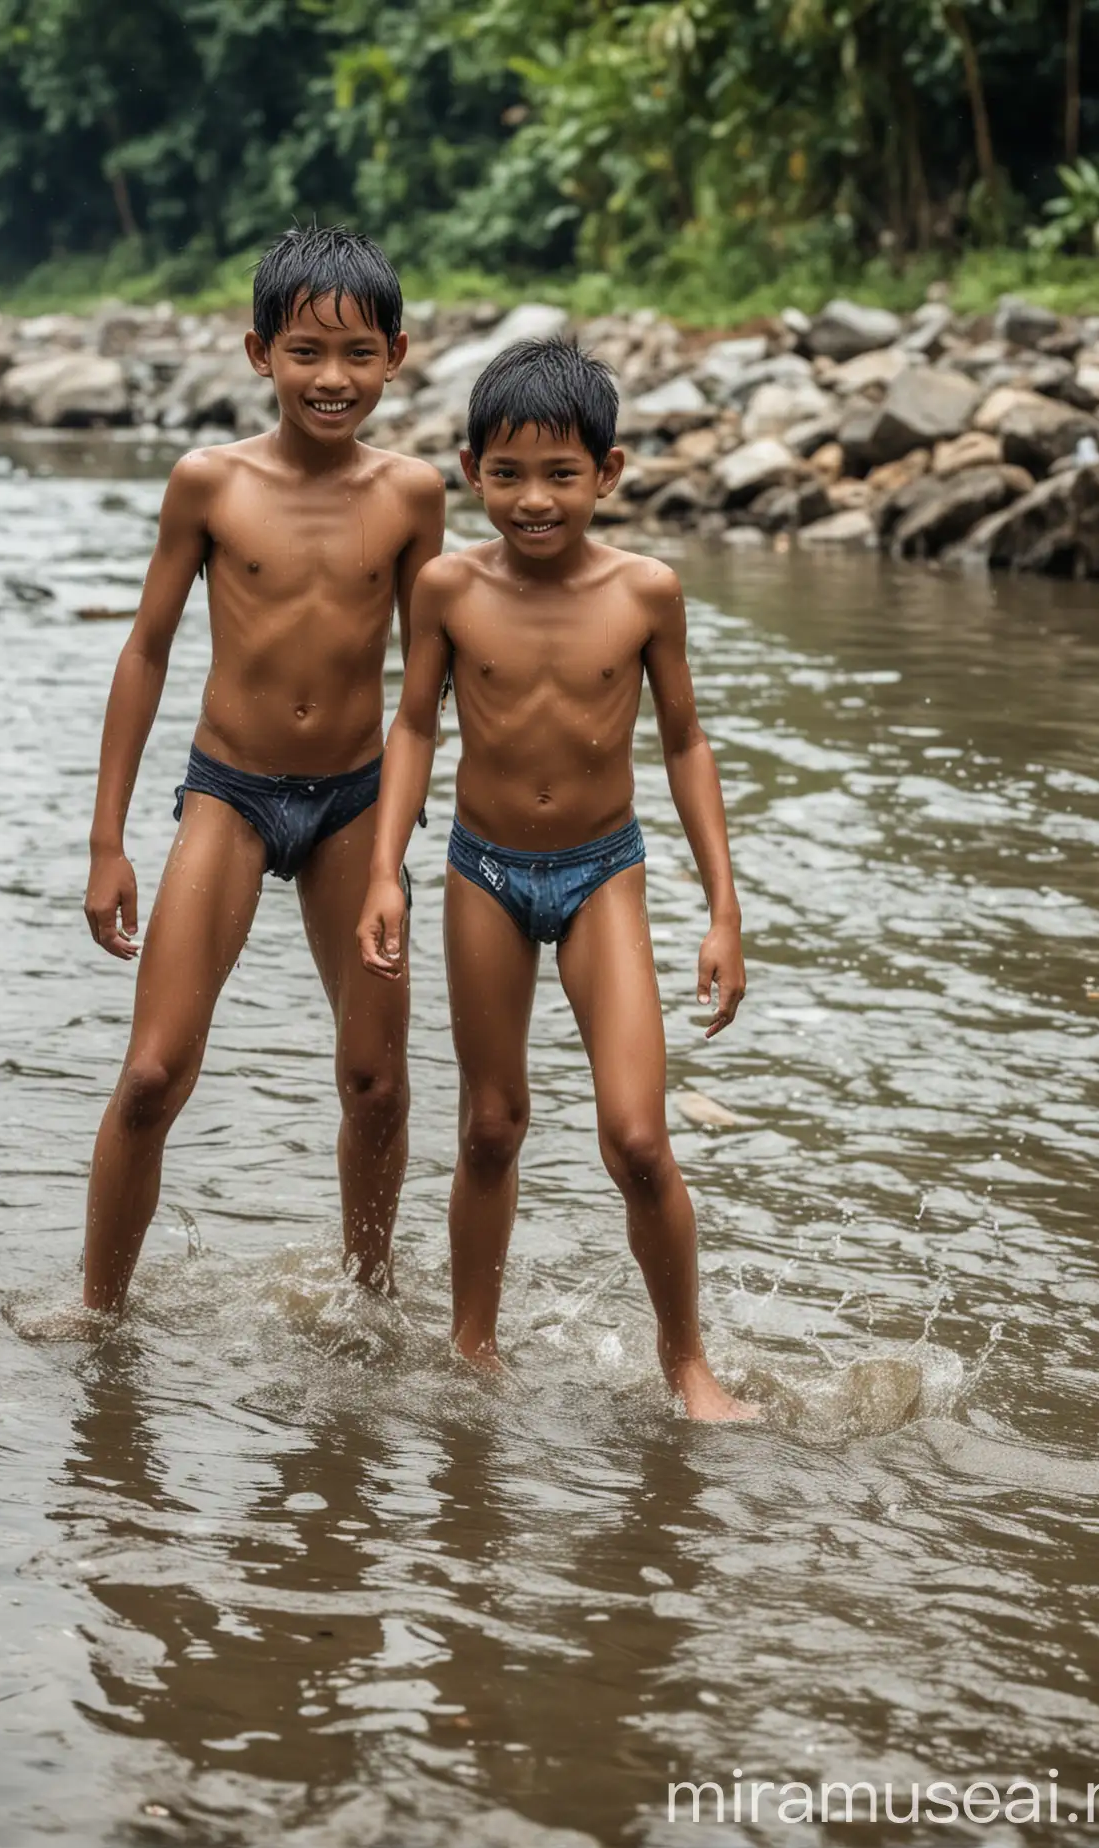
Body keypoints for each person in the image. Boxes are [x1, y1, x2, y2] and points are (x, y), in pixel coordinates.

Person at [356, 338, 756, 1421]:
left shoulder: (645, 593)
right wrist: (384, 867)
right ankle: (472, 1350)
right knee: (492, 1125)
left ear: (610, 472)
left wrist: (723, 909)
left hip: (601, 875)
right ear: (471, 467)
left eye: (562, 475)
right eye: (508, 475)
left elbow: (684, 743)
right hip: (481, 871)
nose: (534, 502)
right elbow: (411, 727)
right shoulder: (446, 587)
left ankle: (687, 1363)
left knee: (637, 1137)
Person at [80, 225, 445, 1314]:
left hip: (354, 807)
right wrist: (108, 842)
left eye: (356, 356)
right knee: (152, 1074)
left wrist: (405, 847)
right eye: (304, 353)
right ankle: (99, 1311)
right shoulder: (209, 483)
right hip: (230, 794)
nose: (331, 380)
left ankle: (368, 1305)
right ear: (258, 354)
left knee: (375, 1086)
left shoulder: (415, 494)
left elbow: (430, 684)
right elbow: (145, 650)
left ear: (396, 356)